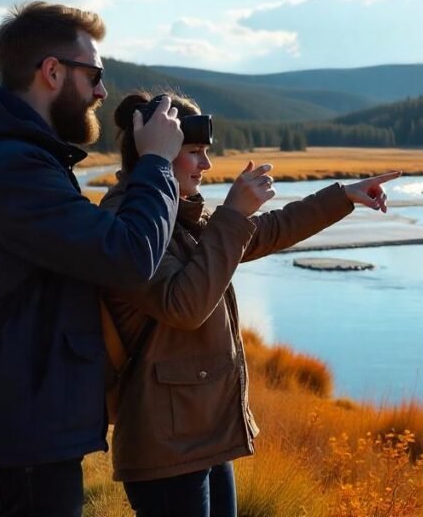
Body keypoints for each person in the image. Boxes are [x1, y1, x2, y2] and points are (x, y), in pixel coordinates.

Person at [0, 2, 184, 516]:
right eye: (95, 75)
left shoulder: (8, 155)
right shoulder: (12, 168)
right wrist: (155, 163)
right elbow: (130, 256)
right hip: (20, 436)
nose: (102, 92)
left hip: (17, 425)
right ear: (52, 71)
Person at [100, 91, 399, 517]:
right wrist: (233, 214)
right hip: (165, 448)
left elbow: (265, 231)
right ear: (159, 152)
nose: (205, 165)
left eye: (206, 153)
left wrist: (345, 197)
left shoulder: (178, 216)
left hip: (203, 433)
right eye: (193, 152)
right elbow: (185, 305)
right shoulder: (130, 223)